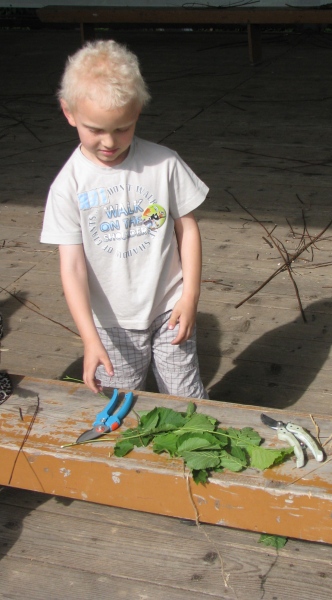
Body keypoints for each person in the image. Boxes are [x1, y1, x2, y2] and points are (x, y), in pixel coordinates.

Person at [41, 40, 209, 398]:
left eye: (122, 128)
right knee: (122, 403)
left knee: (186, 399)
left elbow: (188, 227)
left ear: (137, 113)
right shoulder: (68, 186)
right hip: (112, 322)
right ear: (68, 112)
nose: (109, 141)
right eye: (95, 129)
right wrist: (90, 338)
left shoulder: (163, 163)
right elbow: (72, 267)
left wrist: (190, 294)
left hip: (170, 306)